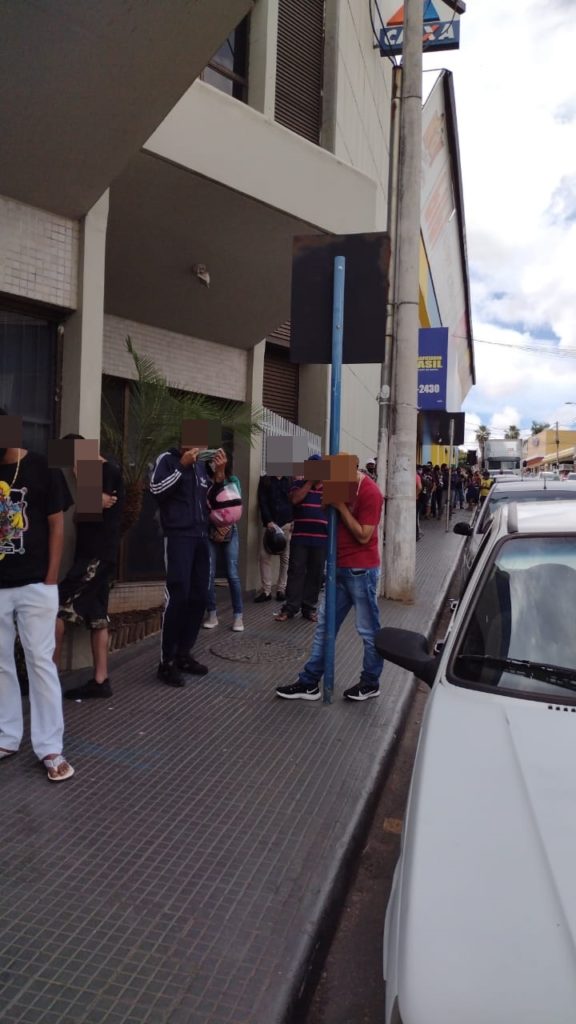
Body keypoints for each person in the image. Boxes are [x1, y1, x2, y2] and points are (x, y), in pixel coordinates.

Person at [0, 411, 75, 781]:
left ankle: (50, 748)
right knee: (0, 664)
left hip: (35, 584)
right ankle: (7, 736)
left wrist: (50, 578)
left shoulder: (44, 467)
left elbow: (57, 524)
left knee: (40, 662)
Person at [275, 454, 385, 702]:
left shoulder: (370, 492)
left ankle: (370, 682)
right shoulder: (339, 485)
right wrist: (329, 504)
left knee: (368, 630)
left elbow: (364, 535)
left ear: (354, 470)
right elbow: (328, 515)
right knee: (325, 626)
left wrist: (339, 506)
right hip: (338, 567)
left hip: (361, 570)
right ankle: (309, 682)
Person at [150, 436, 227, 687]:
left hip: (201, 537)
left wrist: (219, 476)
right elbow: (156, 490)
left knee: (199, 595)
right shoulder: (168, 460)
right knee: (178, 595)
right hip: (178, 536)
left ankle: (184, 653)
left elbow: (210, 501)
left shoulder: (201, 467)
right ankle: (167, 661)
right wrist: (182, 466)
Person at [54, 436, 125, 700]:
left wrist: (84, 485)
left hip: (95, 557)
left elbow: (91, 508)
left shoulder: (107, 470)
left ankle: (47, 679)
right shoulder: (103, 470)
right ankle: (101, 680)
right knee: (97, 616)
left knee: (55, 608)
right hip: (95, 555)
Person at [274, 453, 328, 623]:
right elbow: (295, 500)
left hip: (321, 539)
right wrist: (310, 482)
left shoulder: (329, 487)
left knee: (316, 574)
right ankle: (290, 607)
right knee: (295, 572)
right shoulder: (297, 485)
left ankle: (309, 608)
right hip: (300, 538)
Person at [202, 451, 244, 632]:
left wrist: (225, 527)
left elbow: (236, 507)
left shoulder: (233, 481)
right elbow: (205, 507)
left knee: (232, 573)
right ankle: (211, 613)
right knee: (209, 573)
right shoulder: (205, 482)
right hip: (209, 530)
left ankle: (238, 616)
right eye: (212, 461)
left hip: (230, 531)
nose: (215, 464)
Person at [255, 472, 293, 602]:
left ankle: (281, 589)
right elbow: (262, 501)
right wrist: (268, 521)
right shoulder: (265, 480)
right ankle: (266, 590)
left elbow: (293, 502)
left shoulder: (290, 480)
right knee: (264, 556)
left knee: (285, 558)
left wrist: (293, 521)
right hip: (270, 525)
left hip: (286, 523)